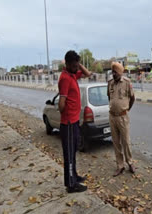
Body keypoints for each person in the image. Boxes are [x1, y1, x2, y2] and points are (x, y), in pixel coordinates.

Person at [58, 50, 92, 193]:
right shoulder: (65, 78)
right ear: (67, 63)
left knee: (73, 153)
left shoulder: (72, 75)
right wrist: (66, 114)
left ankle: (74, 176)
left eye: (77, 63)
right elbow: (61, 104)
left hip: (74, 121)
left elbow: (88, 74)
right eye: (74, 64)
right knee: (69, 155)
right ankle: (71, 185)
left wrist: (79, 64)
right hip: (69, 124)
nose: (76, 66)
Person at [107, 62, 136, 177]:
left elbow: (132, 98)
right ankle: (120, 165)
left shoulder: (127, 83)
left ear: (120, 73)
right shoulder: (110, 83)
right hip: (112, 116)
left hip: (123, 117)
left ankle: (130, 163)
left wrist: (126, 109)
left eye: (115, 72)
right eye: (112, 72)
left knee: (126, 142)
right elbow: (109, 97)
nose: (113, 74)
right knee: (116, 142)